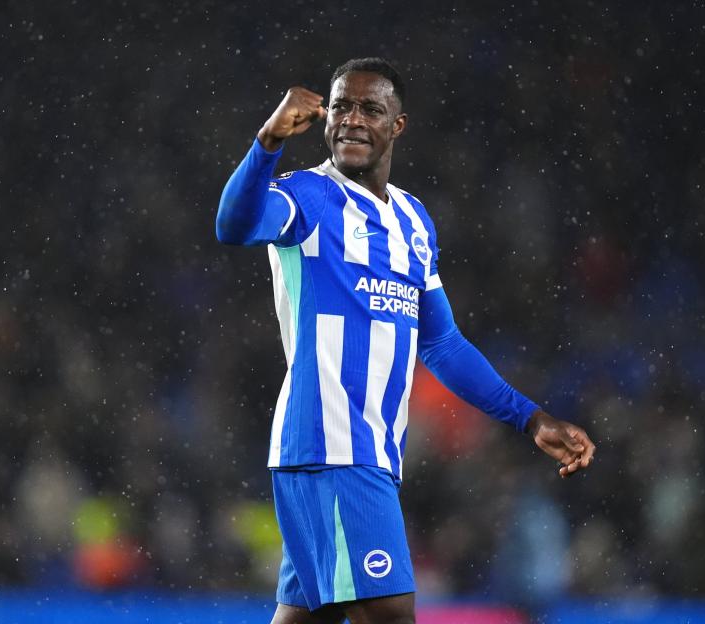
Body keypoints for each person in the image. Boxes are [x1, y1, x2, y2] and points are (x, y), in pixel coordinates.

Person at [216, 58, 596, 624]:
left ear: (397, 125)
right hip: (331, 445)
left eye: (370, 109)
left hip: (366, 453)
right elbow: (233, 225)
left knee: (309, 617)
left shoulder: (413, 221)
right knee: (391, 613)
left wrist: (530, 418)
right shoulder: (308, 195)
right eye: (341, 107)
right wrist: (268, 141)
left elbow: (442, 344)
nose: (351, 119)